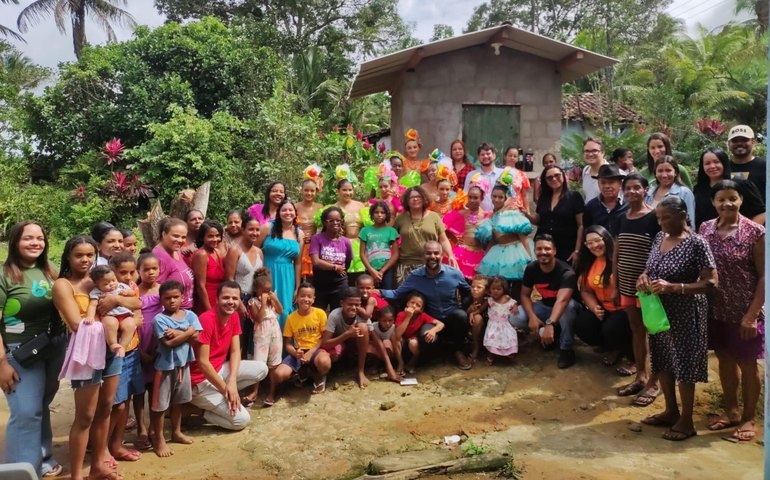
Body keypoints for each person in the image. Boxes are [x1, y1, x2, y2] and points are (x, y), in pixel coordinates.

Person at [637, 196, 717, 441]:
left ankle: (687, 421)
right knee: (662, 360)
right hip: (660, 312)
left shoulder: (697, 243)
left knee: (684, 364)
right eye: (658, 218)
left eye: (666, 218)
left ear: (682, 215)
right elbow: (650, 268)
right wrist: (643, 277)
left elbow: (711, 283)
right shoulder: (660, 238)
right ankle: (670, 411)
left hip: (686, 311)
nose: (661, 223)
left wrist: (676, 287)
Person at [700, 180, 764, 442]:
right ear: (714, 202)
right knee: (724, 360)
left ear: (740, 200)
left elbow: (764, 277)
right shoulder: (705, 228)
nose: (727, 203)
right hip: (715, 309)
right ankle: (732, 411)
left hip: (745, 312)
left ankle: (749, 417)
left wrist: (751, 316)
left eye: (732, 198)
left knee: (747, 365)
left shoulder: (755, 232)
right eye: (721, 199)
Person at [1, 221, 66, 478]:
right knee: (26, 411)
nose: (35, 243)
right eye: (28, 238)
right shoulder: (4, 275)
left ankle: (44, 458)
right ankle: (23, 471)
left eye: (40, 238)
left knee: (41, 403)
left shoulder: (51, 271)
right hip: (19, 351)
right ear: (16, 241)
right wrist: (1, 363)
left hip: (53, 346)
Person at [378, 241, 472, 369]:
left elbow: (468, 292)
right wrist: (378, 291)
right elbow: (397, 294)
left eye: (436, 253)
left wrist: (470, 308)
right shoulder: (415, 276)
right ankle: (434, 355)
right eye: (428, 253)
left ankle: (458, 351)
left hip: (452, 316)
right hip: (431, 319)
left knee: (461, 316)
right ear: (423, 256)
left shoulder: (454, 273)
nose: (432, 256)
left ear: (442, 254)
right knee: (424, 336)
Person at [188, 281, 268, 431]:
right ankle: (194, 410)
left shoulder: (234, 317)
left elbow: (235, 351)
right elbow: (203, 363)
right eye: (226, 298)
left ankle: (223, 396)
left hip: (219, 370)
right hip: (199, 380)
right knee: (241, 421)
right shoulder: (206, 319)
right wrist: (226, 389)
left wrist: (231, 382)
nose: (231, 302)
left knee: (262, 369)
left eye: (235, 298)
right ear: (217, 299)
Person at [612, 173, 662, 406]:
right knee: (636, 329)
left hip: (648, 287)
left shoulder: (654, 217)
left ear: (645, 190)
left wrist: (650, 276)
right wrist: (616, 282)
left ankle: (655, 382)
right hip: (626, 283)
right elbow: (617, 251)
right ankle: (640, 376)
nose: (632, 192)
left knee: (654, 332)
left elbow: (660, 251)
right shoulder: (622, 217)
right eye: (628, 188)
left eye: (637, 188)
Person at [509, 234, 582, 369]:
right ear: (535, 250)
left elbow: (562, 300)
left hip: (567, 309)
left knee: (569, 306)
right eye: (539, 249)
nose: (543, 252)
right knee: (516, 316)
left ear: (554, 251)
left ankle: (566, 349)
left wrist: (549, 324)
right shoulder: (531, 268)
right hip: (546, 306)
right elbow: (525, 295)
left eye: (547, 249)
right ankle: (550, 335)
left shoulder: (566, 272)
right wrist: (532, 317)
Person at [150, 280, 202, 457]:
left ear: (183, 297)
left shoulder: (190, 315)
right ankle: (158, 439)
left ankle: (176, 431)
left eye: (175, 297)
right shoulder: (159, 319)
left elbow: (197, 336)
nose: (172, 301)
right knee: (160, 406)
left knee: (179, 401)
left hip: (183, 365)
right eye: (167, 298)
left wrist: (183, 333)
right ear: (161, 300)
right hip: (164, 368)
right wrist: (188, 332)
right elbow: (169, 343)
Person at [573, 226, 632, 368]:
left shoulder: (620, 259)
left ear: (606, 239)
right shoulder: (588, 263)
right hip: (605, 309)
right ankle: (612, 347)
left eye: (597, 240)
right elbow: (585, 291)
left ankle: (631, 355)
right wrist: (594, 307)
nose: (594, 246)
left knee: (612, 328)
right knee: (582, 323)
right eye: (589, 243)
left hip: (624, 310)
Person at [268, 283, 331, 402]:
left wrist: (311, 352)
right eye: (302, 296)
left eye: (309, 296)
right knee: (279, 375)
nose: (305, 299)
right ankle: (303, 373)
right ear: (297, 297)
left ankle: (319, 377)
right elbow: (287, 343)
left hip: (316, 349)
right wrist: (295, 353)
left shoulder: (320, 313)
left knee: (324, 362)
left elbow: (323, 338)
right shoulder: (291, 318)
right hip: (299, 351)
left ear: (313, 299)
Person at [392, 186, 457, 284]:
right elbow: (392, 239)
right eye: (411, 197)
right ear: (407, 201)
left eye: (418, 196)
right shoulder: (400, 218)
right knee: (406, 297)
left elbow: (443, 240)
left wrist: (450, 255)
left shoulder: (434, 217)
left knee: (428, 296)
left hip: (430, 265)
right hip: (406, 265)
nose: (415, 199)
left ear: (424, 198)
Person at [694, 147, 764, 229]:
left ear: (724, 163)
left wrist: (747, 234)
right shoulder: (699, 188)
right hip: (708, 238)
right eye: (707, 163)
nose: (712, 166)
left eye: (716, 162)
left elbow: (761, 213)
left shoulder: (741, 181)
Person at [258, 199, 302, 329]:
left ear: (295, 213)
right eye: (284, 210)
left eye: (290, 210)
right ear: (278, 212)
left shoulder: (299, 233)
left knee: (285, 308)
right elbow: (255, 250)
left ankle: (285, 346)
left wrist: (297, 287)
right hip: (267, 272)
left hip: (288, 276)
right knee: (266, 306)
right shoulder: (267, 227)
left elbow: (298, 263)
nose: (287, 213)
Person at [476, 185, 533, 286]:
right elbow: (493, 240)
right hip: (498, 252)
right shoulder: (492, 216)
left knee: (517, 286)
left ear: (505, 198)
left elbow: (523, 238)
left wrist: (529, 258)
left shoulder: (512, 213)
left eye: (500, 197)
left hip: (516, 252)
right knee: (500, 285)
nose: (496, 200)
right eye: (494, 196)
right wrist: (485, 258)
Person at [133, 251, 161, 453]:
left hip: (158, 343)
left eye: (154, 269)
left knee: (155, 388)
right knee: (139, 388)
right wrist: (140, 350)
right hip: (138, 341)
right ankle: (141, 427)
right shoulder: (134, 292)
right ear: (138, 271)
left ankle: (153, 427)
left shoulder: (163, 290)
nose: (151, 273)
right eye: (146, 269)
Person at [527, 166, 584, 264]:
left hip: (566, 247)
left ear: (563, 176)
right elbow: (537, 220)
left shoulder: (574, 196)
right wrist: (525, 213)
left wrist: (577, 251)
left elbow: (581, 225)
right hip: (544, 247)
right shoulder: (544, 197)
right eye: (549, 177)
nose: (553, 179)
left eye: (557, 175)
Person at [224, 215, 263, 357]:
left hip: (254, 300)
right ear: (243, 230)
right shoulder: (235, 250)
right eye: (251, 229)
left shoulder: (259, 251)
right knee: (236, 339)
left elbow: (260, 277)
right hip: (238, 298)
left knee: (250, 338)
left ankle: (247, 371)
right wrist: (238, 302)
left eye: (257, 230)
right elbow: (229, 278)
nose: (255, 233)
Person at [243, 267, 283, 407]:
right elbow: (258, 319)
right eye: (264, 291)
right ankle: (255, 391)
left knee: (273, 364)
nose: (267, 293)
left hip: (275, 332)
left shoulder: (272, 299)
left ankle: (272, 393)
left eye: (269, 290)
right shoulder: (253, 302)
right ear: (257, 290)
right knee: (259, 363)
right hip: (261, 334)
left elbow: (281, 311)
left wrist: (275, 300)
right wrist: (264, 304)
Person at [321, 287, 371, 387]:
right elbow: (325, 343)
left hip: (355, 347)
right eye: (350, 304)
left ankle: (361, 371)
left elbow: (374, 337)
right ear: (342, 303)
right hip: (340, 346)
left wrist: (389, 367)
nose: (353, 307)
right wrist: (347, 334)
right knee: (333, 355)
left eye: (357, 305)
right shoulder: (335, 315)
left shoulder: (362, 316)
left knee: (363, 328)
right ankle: (335, 370)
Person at [87, 265, 137, 357]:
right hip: (109, 315)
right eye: (106, 283)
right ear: (97, 284)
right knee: (110, 324)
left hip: (125, 315)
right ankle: (113, 344)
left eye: (113, 280)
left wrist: (127, 293)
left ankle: (123, 346)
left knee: (130, 324)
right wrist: (90, 316)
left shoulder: (121, 286)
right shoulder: (97, 292)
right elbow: (92, 305)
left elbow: (133, 293)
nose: (112, 284)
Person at [311, 206, 353, 311]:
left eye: (338, 220)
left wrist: (339, 269)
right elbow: (316, 261)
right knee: (318, 314)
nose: (335, 223)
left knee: (338, 313)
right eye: (331, 220)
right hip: (320, 283)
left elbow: (348, 262)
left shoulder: (346, 241)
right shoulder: (317, 238)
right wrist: (335, 267)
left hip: (339, 283)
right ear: (325, 222)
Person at [443, 185, 488, 279]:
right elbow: (442, 228)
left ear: (482, 198)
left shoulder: (486, 216)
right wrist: (454, 239)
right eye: (470, 197)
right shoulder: (461, 212)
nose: (472, 200)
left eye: (475, 198)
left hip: (478, 253)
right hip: (462, 251)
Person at [393, 291, 444, 374]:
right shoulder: (401, 314)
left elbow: (441, 324)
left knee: (413, 343)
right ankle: (400, 362)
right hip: (402, 340)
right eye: (412, 302)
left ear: (421, 309)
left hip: (413, 341)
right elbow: (398, 334)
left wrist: (433, 330)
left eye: (418, 305)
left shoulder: (422, 315)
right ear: (407, 303)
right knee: (395, 337)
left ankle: (414, 360)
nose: (414, 306)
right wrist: (408, 317)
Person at [153, 217, 195, 310]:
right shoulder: (160, 257)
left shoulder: (177, 250)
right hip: (172, 314)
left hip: (186, 310)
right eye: (175, 236)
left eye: (183, 237)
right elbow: (155, 290)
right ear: (164, 234)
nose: (180, 240)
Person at [646, 156, 696, 230]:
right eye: (660, 171)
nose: (664, 175)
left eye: (668, 170)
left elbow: (690, 223)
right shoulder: (649, 193)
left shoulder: (684, 192)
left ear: (675, 172)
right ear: (655, 173)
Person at [359, 201, 400, 289]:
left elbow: (396, 254)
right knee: (370, 293)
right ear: (372, 214)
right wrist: (371, 270)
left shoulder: (391, 231)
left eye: (382, 212)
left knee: (386, 295)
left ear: (387, 214)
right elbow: (362, 254)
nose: (379, 215)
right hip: (370, 269)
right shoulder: (365, 231)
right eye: (376, 212)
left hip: (387, 271)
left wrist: (382, 271)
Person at [333, 178, 367, 282]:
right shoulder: (334, 208)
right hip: (342, 245)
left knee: (360, 277)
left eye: (350, 190)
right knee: (343, 275)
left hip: (360, 244)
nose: (348, 193)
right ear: (338, 191)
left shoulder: (361, 205)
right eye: (344, 190)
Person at [192, 220, 227, 314]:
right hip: (206, 302)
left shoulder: (217, 252)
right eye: (210, 236)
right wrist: (209, 311)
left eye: (217, 235)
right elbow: (200, 285)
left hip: (219, 300)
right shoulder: (201, 254)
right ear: (202, 237)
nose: (215, 239)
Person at [583, 164, 628, 235]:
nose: (607, 186)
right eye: (603, 183)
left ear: (620, 184)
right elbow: (587, 231)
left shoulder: (629, 204)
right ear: (598, 184)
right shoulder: (591, 206)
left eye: (611, 182)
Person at [483, 276, 519, 365]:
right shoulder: (490, 301)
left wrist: (515, 307)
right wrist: (474, 312)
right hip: (493, 326)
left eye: (498, 289)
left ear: (504, 289)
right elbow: (481, 309)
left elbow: (514, 303)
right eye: (493, 288)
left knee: (510, 338)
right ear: (490, 289)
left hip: (505, 325)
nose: (495, 291)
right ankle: (490, 356)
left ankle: (510, 355)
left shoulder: (507, 298)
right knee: (492, 341)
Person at [296, 170, 323, 282]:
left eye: (312, 191)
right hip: (298, 244)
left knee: (313, 276)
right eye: (306, 190)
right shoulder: (294, 207)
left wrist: (315, 237)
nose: (309, 193)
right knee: (297, 274)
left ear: (316, 191)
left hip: (315, 246)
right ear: (301, 191)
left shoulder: (320, 207)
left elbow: (322, 227)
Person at [727, 125, 766, 202]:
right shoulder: (723, 167)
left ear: (753, 142)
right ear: (729, 144)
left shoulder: (764, 166)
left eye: (744, 140)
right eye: (735, 141)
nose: (739, 143)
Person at [463, 143, 504, 212]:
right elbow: (465, 197)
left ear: (494, 155)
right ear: (479, 157)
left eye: (488, 154)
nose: (485, 156)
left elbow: (510, 197)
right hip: (479, 217)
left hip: (500, 215)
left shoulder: (503, 174)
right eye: (482, 154)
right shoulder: (471, 175)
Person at [367, 306, 402, 382]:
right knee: (369, 348)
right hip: (378, 351)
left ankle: (387, 366)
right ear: (379, 319)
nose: (387, 323)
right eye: (384, 320)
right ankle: (376, 364)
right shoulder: (373, 327)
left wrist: (400, 362)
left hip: (390, 352)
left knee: (386, 343)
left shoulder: (394, 328)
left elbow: (396, 344)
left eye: (390, 320)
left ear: (394, 320)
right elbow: (370, 341)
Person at [467, 274, 489, 363]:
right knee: (477, 318)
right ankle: (475, 346)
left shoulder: (489, 301)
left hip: (488, 329)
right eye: (473, 287)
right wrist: (469, 310)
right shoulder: (468, 300)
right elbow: (463, 315)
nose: (475, 289)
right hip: (472, 327)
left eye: (479, 287)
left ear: (486, 290)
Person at [581, 137, 608, 204]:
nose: (590, 154)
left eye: (594, 151)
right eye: (587, 151)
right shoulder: (586, 170)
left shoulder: (613, 173)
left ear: (603, 152)